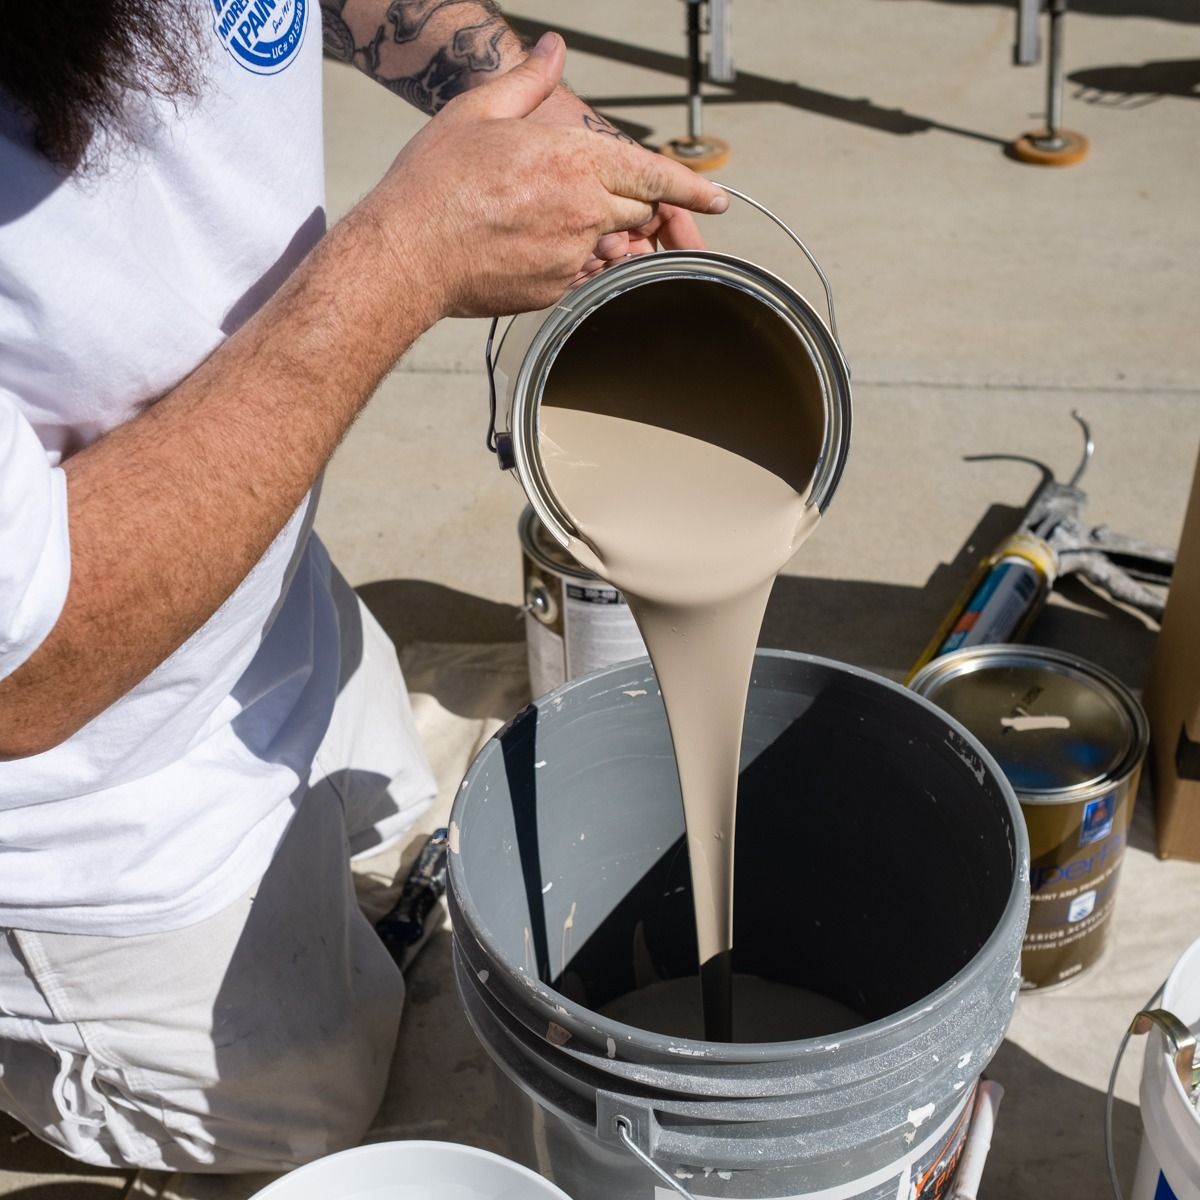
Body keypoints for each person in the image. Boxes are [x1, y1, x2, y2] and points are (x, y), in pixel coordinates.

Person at [0, 0, 727, 1174]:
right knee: (305, 1114)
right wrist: (412, 250)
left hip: (258, 587)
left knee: (399, 823)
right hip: (83, 792)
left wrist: (543, 130)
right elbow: (25, 671)